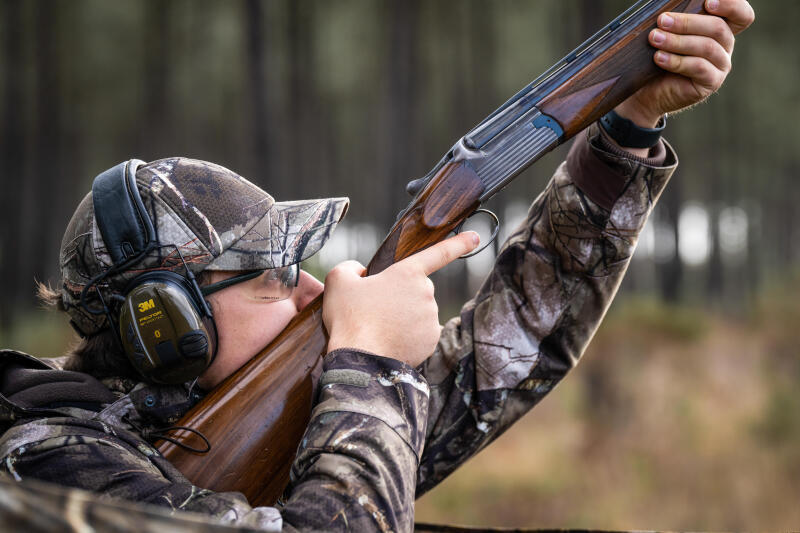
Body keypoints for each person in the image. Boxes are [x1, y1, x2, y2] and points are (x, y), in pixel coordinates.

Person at [0, 1, 754, 531]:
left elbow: (508, 353)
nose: (315, 286)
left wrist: (629, 122)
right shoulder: (48, 462)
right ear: (169, 326)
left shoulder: (251, 418)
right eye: (270, 275)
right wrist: (369, 361)